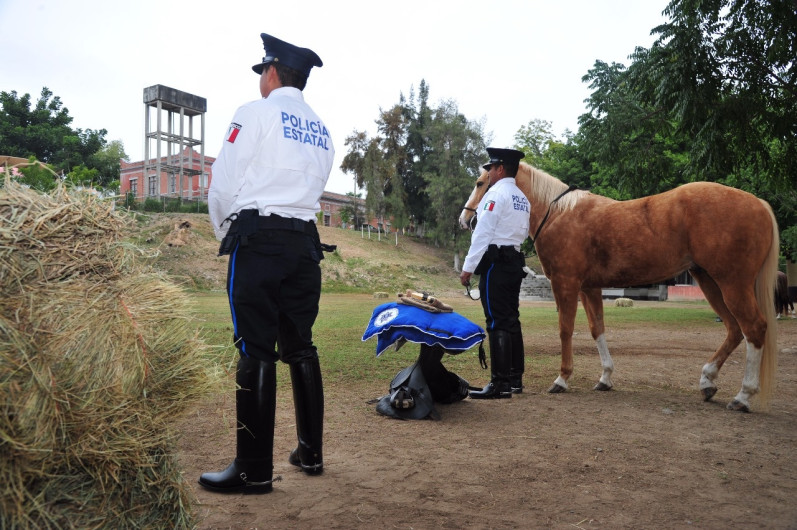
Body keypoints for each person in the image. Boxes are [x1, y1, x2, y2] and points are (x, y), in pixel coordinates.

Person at [199, 33, 334, 494]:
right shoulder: (321, 129)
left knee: (255, 347)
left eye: (263, 72)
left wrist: (228, 235)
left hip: (259, 240)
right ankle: (310, 452)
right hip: (305, 246)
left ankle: (253, 469)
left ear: (272, 71)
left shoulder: (253, 113)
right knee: (299, 344)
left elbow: (223, 186)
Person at [459, 148, 530, 399]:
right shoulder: (523, 198)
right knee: (512, 320)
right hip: (514, 262)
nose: (488, 172)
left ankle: (499, 384)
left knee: (497, 322)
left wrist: (468, 268)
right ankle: (514, 379)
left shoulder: (495, 196)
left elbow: (482, 234)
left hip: (496, 264)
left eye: (491, 168)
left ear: (500, 169)